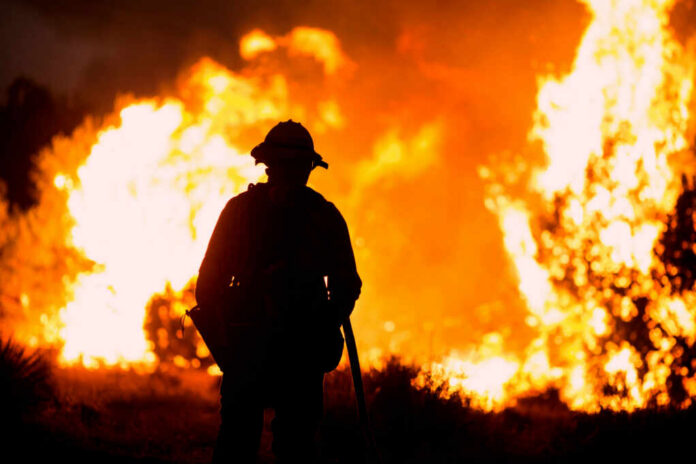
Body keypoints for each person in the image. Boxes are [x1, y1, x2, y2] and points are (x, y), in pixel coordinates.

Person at [195, 120, 362, 463]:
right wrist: (322, 322)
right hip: (270, 349)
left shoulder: (245, 212)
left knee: (251, 445)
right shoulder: (322, 216)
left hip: (270, 349)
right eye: (286, 167)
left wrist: (319, 325)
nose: (288, 174)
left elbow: (208, 287)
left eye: (294, 167)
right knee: (281, 446)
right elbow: (346, 288)